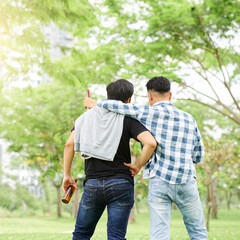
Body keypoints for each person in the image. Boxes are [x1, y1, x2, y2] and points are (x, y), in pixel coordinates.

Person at [84, 76, 208, 240]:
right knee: (197, 231)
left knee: (159, 233)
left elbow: (117, 106)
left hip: (159, 180)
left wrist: (95, 103)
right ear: (170, 95)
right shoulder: (189, 119)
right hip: (186, 180)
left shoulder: (147, 112)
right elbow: (198, 154)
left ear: (150, 95)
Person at [63, 79, 157, 240]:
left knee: (81, 235)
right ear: (128, 100)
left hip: (93, 184)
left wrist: (67, 175)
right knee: (116, 236)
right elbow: (150, 142)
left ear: (108, 95)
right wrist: (138, 165)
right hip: (121, 183)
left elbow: (69, 144)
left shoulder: (84, 118)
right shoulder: (127, 119)